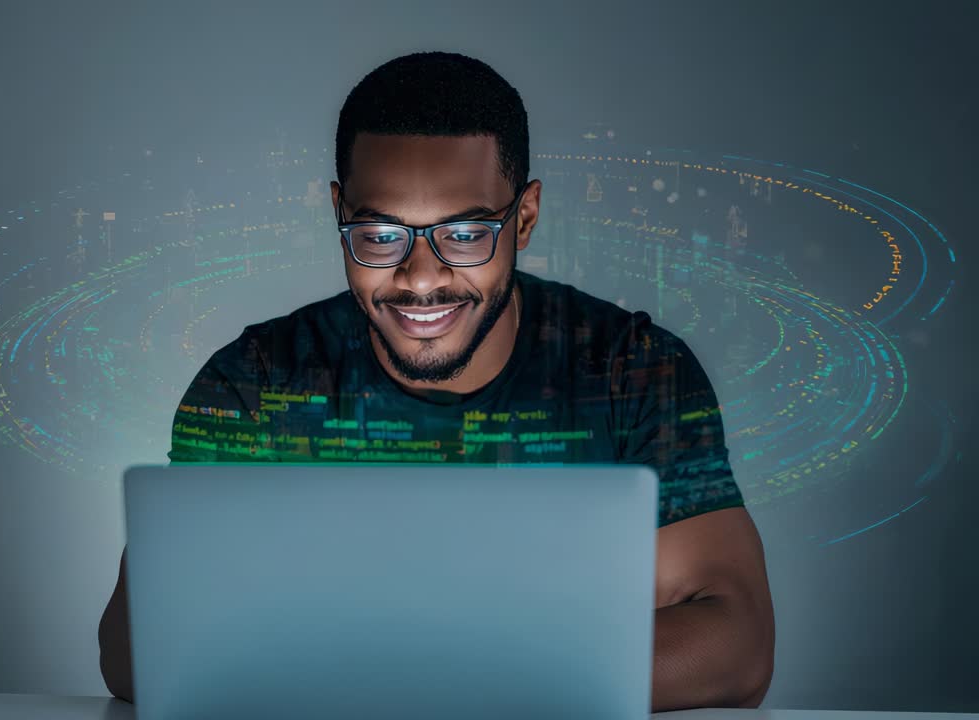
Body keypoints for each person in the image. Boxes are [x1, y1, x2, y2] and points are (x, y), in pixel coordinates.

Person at [100, 50, 774, 712]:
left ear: (527, 218)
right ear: (339, 214)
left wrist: (420, 673)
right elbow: (138, 648)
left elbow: (736, 644)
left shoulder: (633, 372)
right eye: (382, 234)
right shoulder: (256, 382)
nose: (422, 277)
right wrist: (494, 668)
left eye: (466, 232)